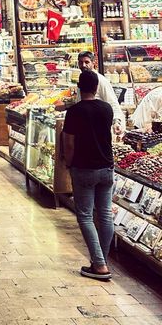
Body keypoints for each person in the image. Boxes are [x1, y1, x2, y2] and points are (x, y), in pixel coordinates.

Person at [63, 70, 114, 281]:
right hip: (107, 167)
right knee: (105, 214)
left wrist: (69, 163)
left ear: (79, 87)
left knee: (85, 215)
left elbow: (69, 142)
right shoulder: (107, 109)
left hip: (84, 168)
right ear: (96, 87)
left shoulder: (75, 111)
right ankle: (100, 259)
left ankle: (99, 264)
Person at [75, 51, 125, 134]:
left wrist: (116, 122)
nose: (83, 65)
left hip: (99, 129)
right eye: (81, 62)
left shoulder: (101, 81)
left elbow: (113, 103)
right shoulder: (82, 78)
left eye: (86, 62)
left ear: (93, 63)